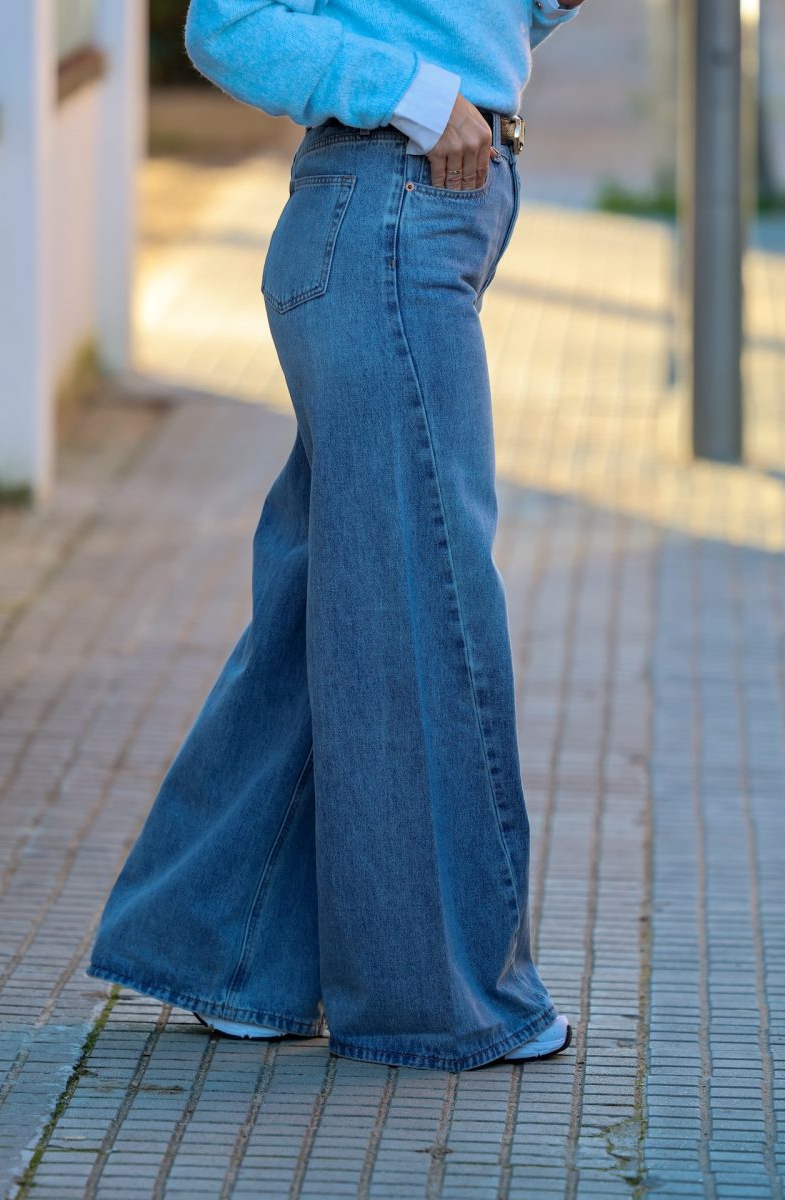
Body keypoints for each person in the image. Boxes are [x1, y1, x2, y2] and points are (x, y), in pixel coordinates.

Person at [85, 0, 587, 1073]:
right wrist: (421, 97)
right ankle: (438, 1001)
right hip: (387, 213)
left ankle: (226, 952)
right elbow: (228, 25)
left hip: (422, 213)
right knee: (424, 599)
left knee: (345, 591)